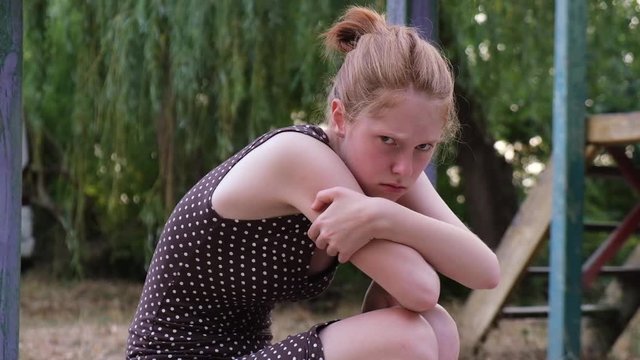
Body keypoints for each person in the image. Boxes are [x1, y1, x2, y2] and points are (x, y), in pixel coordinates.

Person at [127, 6, 500, 360]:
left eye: (424, 147)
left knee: (439, 327)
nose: (405, 166)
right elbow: (419, 287)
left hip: (247, 352)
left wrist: (384, 216)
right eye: (388, 140)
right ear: (340, 118)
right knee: (408, 338)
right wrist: (388, 218)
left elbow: (485, 271)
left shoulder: (390, 171)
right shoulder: (298, 157)